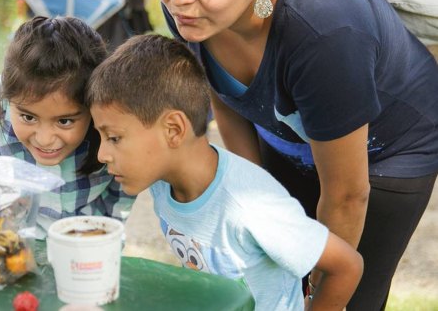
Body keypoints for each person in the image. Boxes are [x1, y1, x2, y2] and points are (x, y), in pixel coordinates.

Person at [151, 0, 438, 310]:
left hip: (390, 151)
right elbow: (226, 99)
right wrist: (249, 201)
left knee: (346, 297)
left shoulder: (325, 33)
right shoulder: (190, 11)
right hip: (293, 134)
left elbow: (346, 196)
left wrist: (319, 293)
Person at [85, 34, 363, 311]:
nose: (102, 154)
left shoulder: (250, 206)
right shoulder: (162, 183)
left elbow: (347, 266)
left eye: (114, 138)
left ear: (173, 130)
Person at [0, 16, 135, 237]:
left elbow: (116, 203)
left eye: (64, 121)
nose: (45, 139)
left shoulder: (115, 129)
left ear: (92, 108)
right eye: (28, 117)